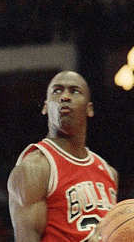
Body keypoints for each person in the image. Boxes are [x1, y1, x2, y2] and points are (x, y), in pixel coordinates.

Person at [8, 70, 118, 241]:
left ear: (89, 109)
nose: (65, 97)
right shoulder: (35, 168)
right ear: (45, 106)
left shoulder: (109, 172)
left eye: (75, 91)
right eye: (57, 90)